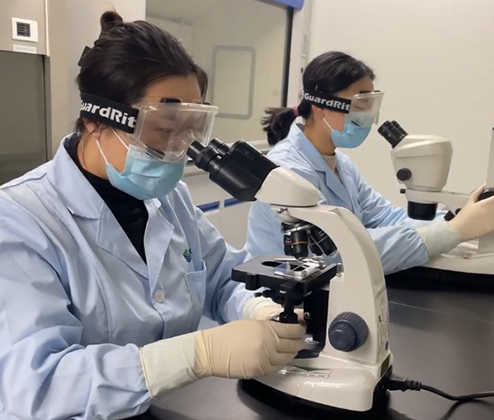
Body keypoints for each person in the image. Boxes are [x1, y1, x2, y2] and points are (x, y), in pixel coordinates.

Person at [0, 12, 304, 420]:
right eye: (163, 129)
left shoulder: (171, 198)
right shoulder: (19, 221)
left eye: (191, 128)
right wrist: (196, 355)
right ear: (95, 120)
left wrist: (258, 309)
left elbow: (220, 277)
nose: (179, 147)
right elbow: (38, 384)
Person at [245, 51, 494, 274]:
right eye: (360, 104)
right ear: (320, 105)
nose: (368, 116)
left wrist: (458, 214)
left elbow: (385, 217)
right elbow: (331, 255)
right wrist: (453, 232)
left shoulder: (342, 166)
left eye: (371, 103)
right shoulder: (287, 171)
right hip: (282, 300)